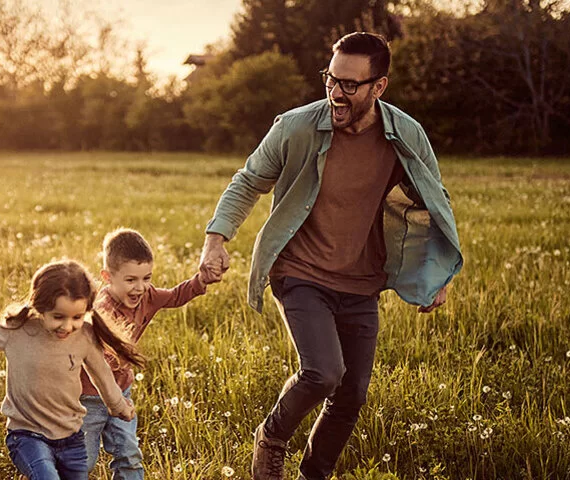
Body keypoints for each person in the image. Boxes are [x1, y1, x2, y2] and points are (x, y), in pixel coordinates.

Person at [195, 32, 463, 480]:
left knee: (353, 393)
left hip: (361, 280)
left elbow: (436, 201)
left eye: (350, 85)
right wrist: (215, 239)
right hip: (300, 271)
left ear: (379, 86)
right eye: (330, 80)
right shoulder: (296, 126)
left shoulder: (405, 134)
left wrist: (437, 275)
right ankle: (273, 436)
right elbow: (247, 181)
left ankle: (313, 473)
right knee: (323, 372)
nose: (336, 93)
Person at [0, 260, 140, 480]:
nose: (67, 326)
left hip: (72, 436)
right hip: (27, 435)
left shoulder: (84, 336)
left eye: (77, 317)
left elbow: (102, 374)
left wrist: (117, 405)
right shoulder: (17, 331)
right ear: (40, 307)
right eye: (58, 317)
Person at [79, 228, 218, 479]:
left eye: (147, 278)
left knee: (129, 454)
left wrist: (201, 281)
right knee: (82, 462)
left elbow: (176, 296)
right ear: (107, 277)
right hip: (88, 398)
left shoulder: (148, 295)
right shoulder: (100, 312)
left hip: (122, 391)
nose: (140, 287)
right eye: (131, 280)